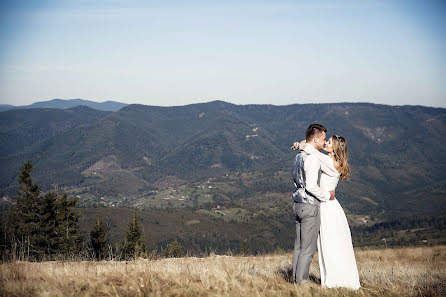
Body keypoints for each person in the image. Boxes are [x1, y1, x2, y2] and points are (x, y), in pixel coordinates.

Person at [292, 134, 361, 289]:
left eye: (329, 142)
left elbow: (314, 153)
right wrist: (302, 144)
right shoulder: (333, 161)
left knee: (329, 244)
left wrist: (301, 145)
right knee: (331, 244)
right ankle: (335, 278)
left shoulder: (331, 162)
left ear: (335, 148)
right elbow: (314, 152)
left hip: (327, 206)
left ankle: (334, 280)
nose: (326, 143)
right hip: (329, 205)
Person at [291, 123, 335, 284]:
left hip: (297, 203)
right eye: (323, 139)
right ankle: (301, 282)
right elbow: (311, 186)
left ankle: (294, 279)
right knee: (308, 248)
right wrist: (326, 196)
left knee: (298, 246)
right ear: (315, 139)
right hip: (310, 205)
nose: (324, 142)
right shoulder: (313, 159)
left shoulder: (298, 157)